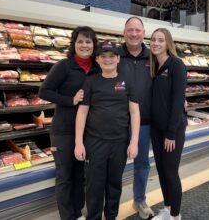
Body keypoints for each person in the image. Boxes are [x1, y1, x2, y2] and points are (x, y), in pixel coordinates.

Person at [39, 26, 100, 220]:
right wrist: (70, 100)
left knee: (80, 175)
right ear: (74, 44)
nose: (84, 45)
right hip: (64, 130)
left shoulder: (98, 67)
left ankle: (77, 212)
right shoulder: (64, 66)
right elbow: (44, 91)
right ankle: (68, 216)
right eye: (80, 41)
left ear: (94, 45)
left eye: (88, 41)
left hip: (88, 132)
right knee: (65, 177)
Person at [74, 40, 140, 220]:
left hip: (119, 143)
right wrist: (78, 143)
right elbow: (82, 112)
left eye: (112, 56)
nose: (108, 60)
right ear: (98, 60)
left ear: (118, 58)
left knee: (114, 185)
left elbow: (134, 113)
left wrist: (134, 142)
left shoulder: (127, 82)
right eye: (104, 56)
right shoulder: (90, 82)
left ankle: (111, 216)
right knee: (94, 186)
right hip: (94, 142)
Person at [118, 16, 154, 219]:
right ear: (124, 33)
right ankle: (111, 201)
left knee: (142, 163)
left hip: (145, 123)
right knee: (115, 164)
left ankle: (139, 199)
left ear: (143, 33)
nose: (133, 34)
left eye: (137, 30)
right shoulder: (114, 55)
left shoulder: (153, 56)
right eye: (130, 30)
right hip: (118, 122)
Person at [149, 28, 187, 220]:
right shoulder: (154, 66)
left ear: (167, 43)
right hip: (156, 128)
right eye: (153, 40)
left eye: (160, 40)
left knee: (171, 172)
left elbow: (178, 100)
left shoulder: (176, 65)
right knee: (161, 170)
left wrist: (171, 133)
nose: (156, 43)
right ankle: (167, 208)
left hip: (173, 129)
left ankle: (175, 215)